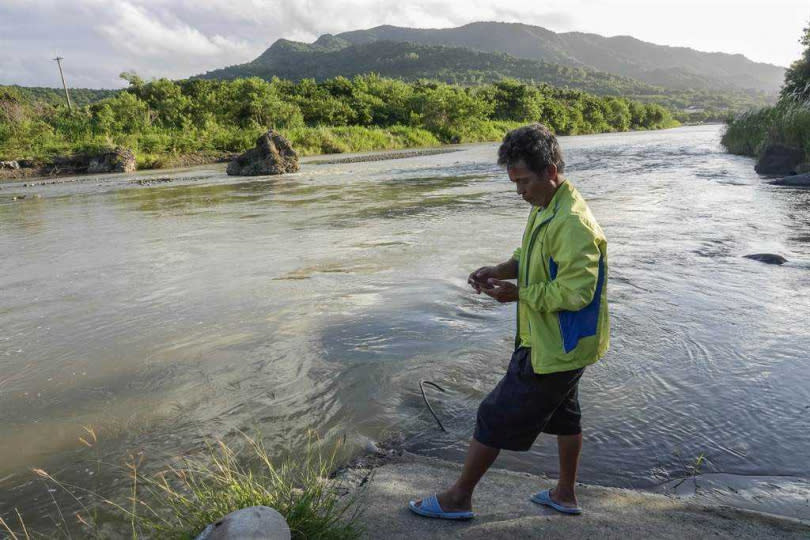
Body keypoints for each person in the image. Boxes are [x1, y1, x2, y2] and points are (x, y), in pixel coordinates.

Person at [408, 123, 609, 520]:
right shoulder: (546, 207)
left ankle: (458, 498)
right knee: (566, 414)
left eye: (523, 181)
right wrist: (500, 268)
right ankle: (565, 494)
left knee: (493, 414)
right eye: (514, 182)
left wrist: (520, 295)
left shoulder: (572, 222)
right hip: (566, 343)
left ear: (550, 170)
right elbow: (530, 255)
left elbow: (576, 293)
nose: (519, 192)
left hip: (555, 345)